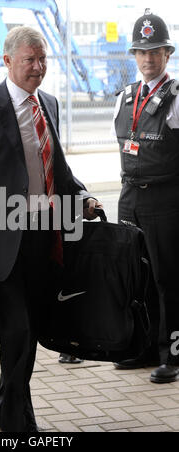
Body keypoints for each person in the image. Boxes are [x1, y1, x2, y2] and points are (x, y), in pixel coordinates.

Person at [0, 26, 102, 432]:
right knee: (18, 331)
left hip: (42, 239)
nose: (39, 67)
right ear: (7, 61)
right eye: (30, 59)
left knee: (29, 332)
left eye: (43, 58)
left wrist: (81, 197)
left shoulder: (49, 103)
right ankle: (16, 422)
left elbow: (57, 168)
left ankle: (2, 406)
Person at [112, 10, 179, 384]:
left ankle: (172, 353)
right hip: (129, 197)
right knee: (136, 277)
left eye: (155, 51)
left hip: (166, 200)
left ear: (167, 54)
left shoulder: (177, 98)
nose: (148, 59)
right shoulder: (123, 97)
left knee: (168, 279)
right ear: (134, 56)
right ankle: (141, 349)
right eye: (141, 51)